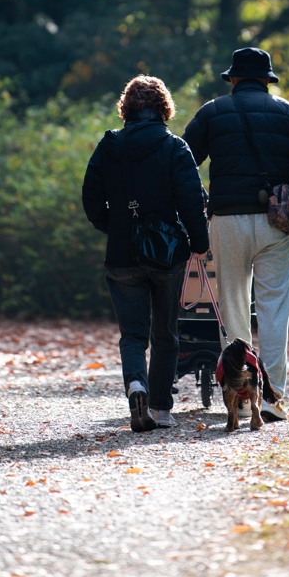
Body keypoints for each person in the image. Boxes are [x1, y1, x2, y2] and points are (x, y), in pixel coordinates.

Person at [182, 47, 289, 423]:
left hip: (227, 221)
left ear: (232, 79)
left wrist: (200, 200)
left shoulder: (212, 112)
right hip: (276, 223)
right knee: (275, 308)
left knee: (233, 307)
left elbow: (182, 161)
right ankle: (272, 399)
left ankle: (240, 398)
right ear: (267, 80)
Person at [82, 74, 209, 433]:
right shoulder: (175, 148)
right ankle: (160, 408)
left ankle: (135, 384)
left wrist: (115, 227)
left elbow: (91, 200)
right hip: (167, 255)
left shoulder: (108, 147)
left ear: (126, 108)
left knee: (132, 334)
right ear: (164, 108)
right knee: (166, 333)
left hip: (122, 254)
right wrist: (199, 243)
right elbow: (190, 201)